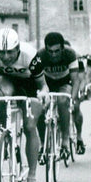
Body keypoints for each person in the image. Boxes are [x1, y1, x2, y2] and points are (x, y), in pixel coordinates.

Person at [0, 27, 48, 182]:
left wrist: (43, 94)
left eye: (10, 52)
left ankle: (32, 180)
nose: (5, 57)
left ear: (18, 48)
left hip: (30, 85)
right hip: (8, 82)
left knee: (30, 126)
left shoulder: (30, 55)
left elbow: (43, 86)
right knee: (0, 90)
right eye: (2, 53)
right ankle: (5, 131)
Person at [36, 32, 82, 160]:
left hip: (64, 82)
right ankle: (42, 144)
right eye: (50, 51)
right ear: (46, 49)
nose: (53, 54)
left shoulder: (70, 54)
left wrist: (72, 99)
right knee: (39, 108)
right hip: (47, 83)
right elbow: (36, 79)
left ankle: (65, 142)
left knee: (63, 101)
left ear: (62, 48)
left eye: (57, 51)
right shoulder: (40, 55)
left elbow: (75, 80)